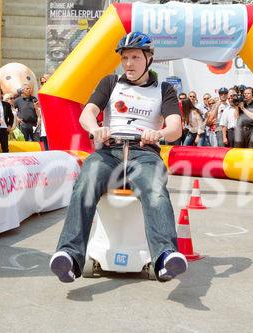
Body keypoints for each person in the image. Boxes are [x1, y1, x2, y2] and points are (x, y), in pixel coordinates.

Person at [49, 32, 186, 283]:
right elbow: (87, 113)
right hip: (109, 152)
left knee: (155, 189)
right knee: (86, 182)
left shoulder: (164, 90)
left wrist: (159, 132)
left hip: (144, 154)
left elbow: (175, 127)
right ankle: (69, 255)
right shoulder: (110, 83)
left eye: (135, 57)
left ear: (149, 58)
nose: (128, 64)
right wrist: (95, 128)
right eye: (124, 58)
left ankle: (165, 256)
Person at [0, 87, 14, 153]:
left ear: (1, 95)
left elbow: (11, 116)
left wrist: (10, 125)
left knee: (5, 148)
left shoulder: (6, 105)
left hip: (4, 129)